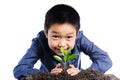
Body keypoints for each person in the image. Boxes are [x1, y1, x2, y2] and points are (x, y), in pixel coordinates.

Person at [13, 4, 112, 80]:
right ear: (46, 33)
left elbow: (105, 60)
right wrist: (47, 75)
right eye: (55, 36)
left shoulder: (80, 39)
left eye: (69, 37)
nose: (62, 44)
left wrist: (82, 73)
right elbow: (20, 69)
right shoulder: (40, 41)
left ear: (76, 35)